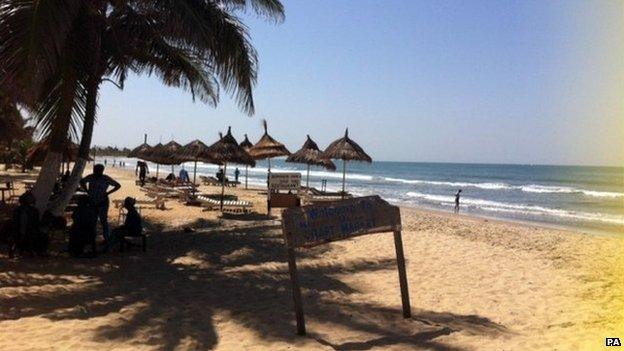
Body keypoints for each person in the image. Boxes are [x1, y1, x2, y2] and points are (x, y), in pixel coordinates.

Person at [80, 164, 121, 252]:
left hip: (103, 203)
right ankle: (92, 240)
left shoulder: (105, 178)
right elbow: (81, 181)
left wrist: (108, 193)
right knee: (93, 222)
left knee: (104, 222)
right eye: (95, 170)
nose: (96, 171)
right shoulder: (91, 177)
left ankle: (106, 240)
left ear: (102, 170)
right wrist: (87, 190)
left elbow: (118, 185)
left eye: (97, 170)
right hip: (93, 203)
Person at [10, 192, 48, 257]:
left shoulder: (17, 210)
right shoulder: (34, 211)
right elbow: (36, 223)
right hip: (29, 232)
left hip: (18, 231)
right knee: (44, 234)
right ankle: (40, 251)